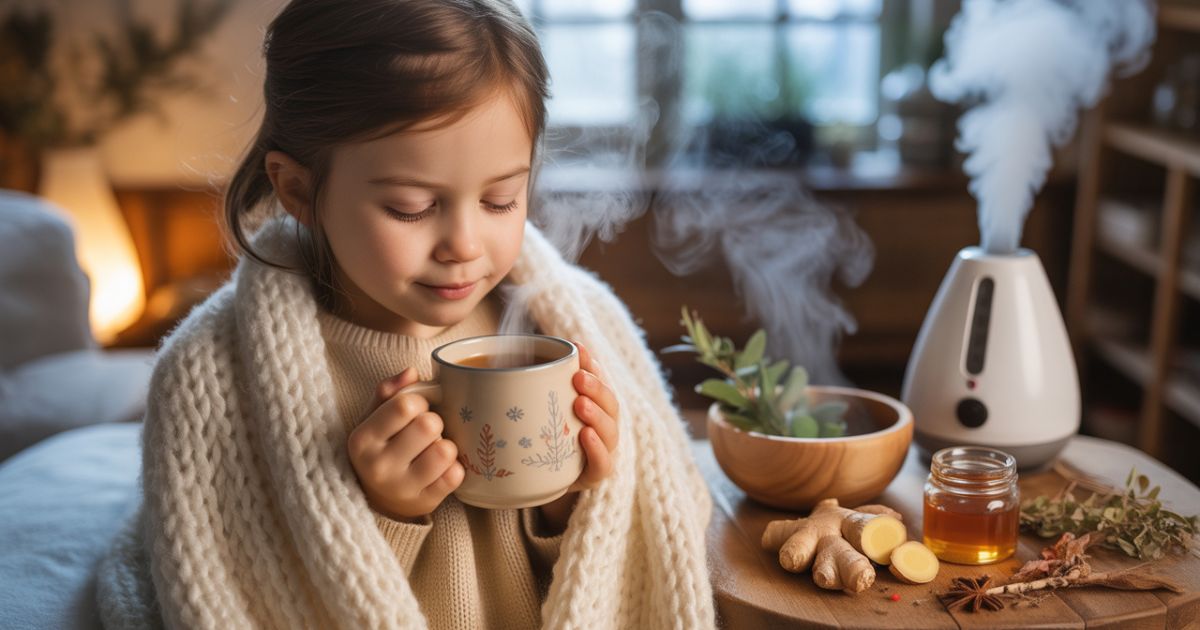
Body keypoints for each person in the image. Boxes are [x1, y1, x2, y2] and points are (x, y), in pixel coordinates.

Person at [96, 1, 714, 628]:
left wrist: (573, 502)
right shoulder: (211, 381)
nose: (465, 246)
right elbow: (242, 594)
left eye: (501, 199)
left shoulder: (568, 325)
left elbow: (636, 547)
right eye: (412, 208)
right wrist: (384, 515)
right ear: (300, 190)